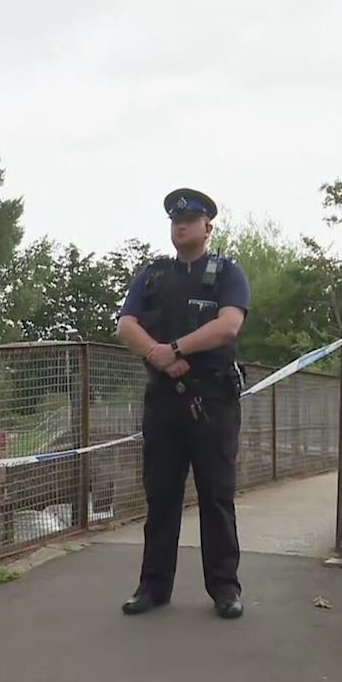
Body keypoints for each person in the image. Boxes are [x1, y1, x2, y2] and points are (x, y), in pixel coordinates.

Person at [114, 187, 251, 619]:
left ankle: (225, 590)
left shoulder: (227, 273)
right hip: (163, 401)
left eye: (190, 219)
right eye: (175, 219)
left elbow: (228, 327)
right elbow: (125, 325)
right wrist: (159, 355)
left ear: (207, 227)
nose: (181, 224)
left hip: (212, 398)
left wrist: (174, 349)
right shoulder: (152, 276)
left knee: (216, 496)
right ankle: (153, 587)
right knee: (161, 495)